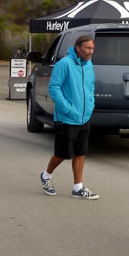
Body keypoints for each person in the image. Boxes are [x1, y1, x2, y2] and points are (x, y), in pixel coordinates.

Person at [39, 34, 99, 200]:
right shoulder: (64, 64)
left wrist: (90, 105)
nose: (91, 51)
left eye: (92, 48)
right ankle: (46, 176)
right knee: (62, 154)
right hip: (66, 118)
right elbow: (54, 88)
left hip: (84, 117)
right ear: (78, 48)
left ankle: (78, 188)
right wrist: (67, 109)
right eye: (87, 48)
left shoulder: (89, 65)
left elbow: (91, 87)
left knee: (80, 153)